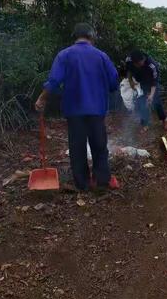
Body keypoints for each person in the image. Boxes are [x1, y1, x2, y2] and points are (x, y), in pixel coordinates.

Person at [35, 23, 119, 191]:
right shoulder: (101, 56)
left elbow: (54, 81)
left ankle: (82, 184)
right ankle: (102, 181)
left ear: (75, 36)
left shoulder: (64, 55)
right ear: (91, 36)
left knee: (77, 146)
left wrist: (42, 98)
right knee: (99, 145)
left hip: (74, 110)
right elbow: (114, 82)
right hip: (97, 109)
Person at [125, 50, 167, 132]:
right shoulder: (129, 60)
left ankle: (164, 119)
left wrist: (151, 95)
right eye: (136, 64)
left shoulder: (152, 65)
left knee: (156, 101)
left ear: (143, 59)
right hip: (141, 81)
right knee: (141, 101)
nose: (138, 65)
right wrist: (131, 81)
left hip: (151, 80)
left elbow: (154, 82)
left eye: (139, 63)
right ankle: (145, 123)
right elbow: (129, 70)